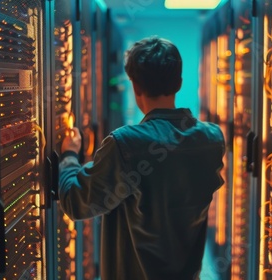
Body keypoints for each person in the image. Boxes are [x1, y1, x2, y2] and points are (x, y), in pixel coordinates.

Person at [59, 36, 225, 280]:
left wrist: (69, 154)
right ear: (179, 83)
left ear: (136, 87)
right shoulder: (212, 138)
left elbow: (75, 202)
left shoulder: (126, 143)